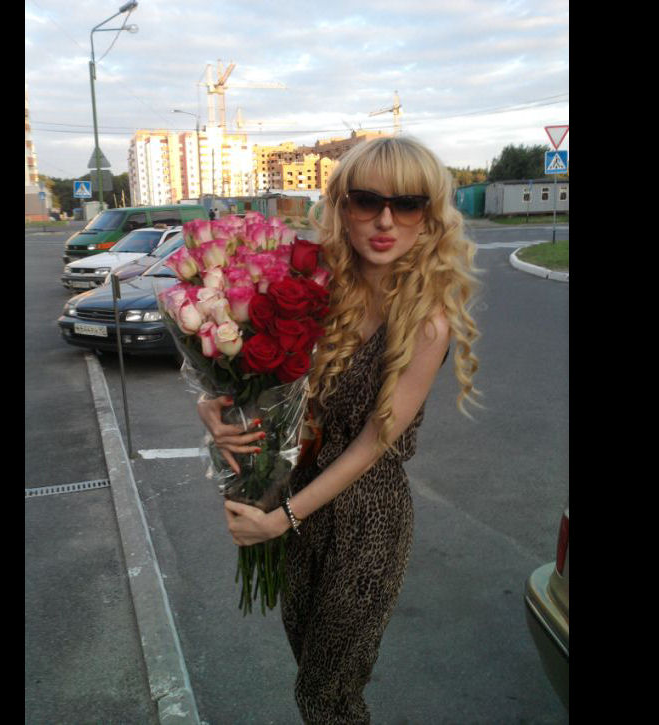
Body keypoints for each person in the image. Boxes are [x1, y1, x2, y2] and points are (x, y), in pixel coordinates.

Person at [197, 135, 480, 724]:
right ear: (341, 207)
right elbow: (267, 386)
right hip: (299, 497)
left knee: (329, 695)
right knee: (308, 665)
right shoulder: (313, 290)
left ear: (429, 215)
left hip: (367, 520)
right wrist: (216, 408)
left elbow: (375, 442)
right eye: (367, 201)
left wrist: (281, 518)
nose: (385, 221)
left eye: (407, 204)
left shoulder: (427, 321)